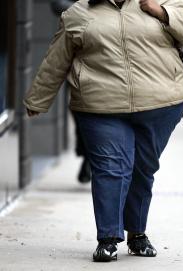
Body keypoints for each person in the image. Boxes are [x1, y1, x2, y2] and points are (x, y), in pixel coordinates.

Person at [24, 0, 183, 262]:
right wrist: (38, 99)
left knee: (143, 169)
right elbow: (56, 58)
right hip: (101, 106)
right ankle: (108, 238)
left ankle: (137, 234)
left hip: (159, 104)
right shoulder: (79, 13)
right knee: (111, 168)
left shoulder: (162, 0)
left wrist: (164, 13)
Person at [50, 0, 92, 184]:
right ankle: (88, 155)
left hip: (113, 59)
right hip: (77, 57)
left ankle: (93, 158)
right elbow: (57, 4)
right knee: (82, 111)